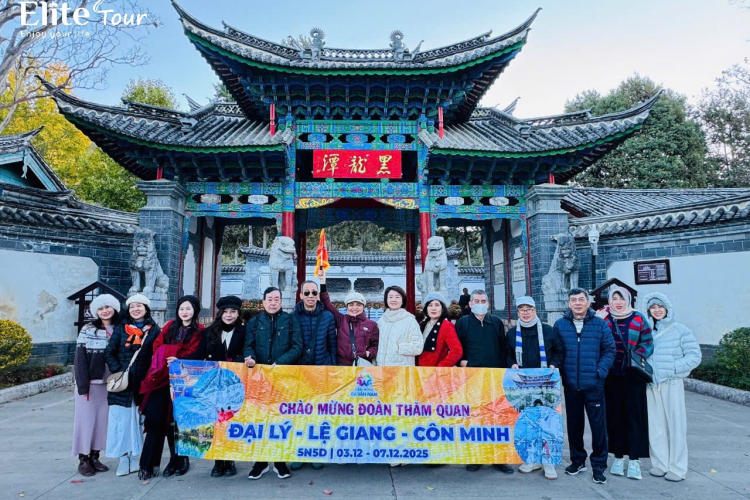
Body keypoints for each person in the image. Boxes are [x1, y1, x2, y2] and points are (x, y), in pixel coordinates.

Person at [139, 295, 204, 480]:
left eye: (189, 308)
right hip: (161, 379)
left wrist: (177, 357)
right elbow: (157, 346)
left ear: (195, 310)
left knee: (178, 422)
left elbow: (196, 353)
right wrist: (171, 354)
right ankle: (148, 464)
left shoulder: (200, 331)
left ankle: (179, 460)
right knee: (155, 420)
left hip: (184, 381)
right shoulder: (169, 326)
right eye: (182, 308)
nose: (185, 312)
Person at [554, 288, 615, 485]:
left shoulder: (600, 324)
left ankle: (599, 465)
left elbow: (609, 350)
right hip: (571, 385)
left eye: (581, 300)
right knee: (574, 425)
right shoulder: (560, 325)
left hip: (594, 385)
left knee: (598, 427)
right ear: (569, 304)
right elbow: (557, 351)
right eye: (574, 300)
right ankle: (577, 460)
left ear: (588, 303)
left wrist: (600, 371)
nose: (578, 303)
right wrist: (559, 371)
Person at [244, 287, 303, 480]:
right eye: (269, 299)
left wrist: (282, 362)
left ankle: (279, 461)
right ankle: (260, 463)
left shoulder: (290, 320)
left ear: (281, 302)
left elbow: (297, 346)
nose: (273, 302)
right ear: (263, 302)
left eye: (277, 299)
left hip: (282, 377)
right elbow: (248, 345)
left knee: (280, 419)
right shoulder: (254, 322)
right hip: (259, 378)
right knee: (260, 419)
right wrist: (250, 357)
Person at [642, 292, 701, 482]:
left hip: (672, 383)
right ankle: (660, 464)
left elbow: (694, 355)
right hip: (651, 384)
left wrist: (673, 368)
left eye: (660, 306)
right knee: (655, 426)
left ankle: (678, 467)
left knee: (676, 426)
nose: (657, 310)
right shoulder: (647, 331)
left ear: (667, 308)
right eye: (653, 307)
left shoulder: (680, 330)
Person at [505, 296, 563, 480]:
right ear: (518, 312)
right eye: (522, 310)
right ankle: (532, 459)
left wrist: (554, 364)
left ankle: (548, 461)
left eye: (529, 309)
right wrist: (512, 363)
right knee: (528, 422)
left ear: (535, 310)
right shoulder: (512, 333)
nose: (526, 313)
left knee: (546, 423)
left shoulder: (547, 330)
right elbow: (507, 354)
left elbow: (559, 351)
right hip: (523, 385)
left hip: (546, 383)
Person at [455, 289, 513, 474]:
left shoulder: (496, 322)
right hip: (472, 377)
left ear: (488, 304)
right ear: (470, 304)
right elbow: (456, 347)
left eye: (483, 301)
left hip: (494, 377)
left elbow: (503, 348)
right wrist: (461, 362)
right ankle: (476, 456)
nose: (480, 303)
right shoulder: (463, 323)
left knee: (496, 418)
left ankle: (498, 458)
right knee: (475, 418)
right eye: (476, 300)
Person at [599, 286, 653, 480]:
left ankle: (635, 459)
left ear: (628, 300)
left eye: (621, 298)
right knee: (614, 417)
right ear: (609, 301)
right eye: (614, 298)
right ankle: (618, 456)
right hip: (611, 376)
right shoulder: (604, 320)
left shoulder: (638, 318)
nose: (618, 302)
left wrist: (636, 355)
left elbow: (648, 342)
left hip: (633, 376)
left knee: (635, 417)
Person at [105, 294, 160, 477]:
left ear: (146, 308)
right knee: (120, 422)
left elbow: (156, 355)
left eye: (139, 306)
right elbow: (109, 352)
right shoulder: (121, 329)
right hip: (122, 385)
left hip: (143, 384)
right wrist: (119, 370)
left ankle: (137, 456)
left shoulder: (154, 330)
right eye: (132, 306)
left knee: (139, 422)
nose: (136, 309)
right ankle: (123, 458)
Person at [195, 295, 246, 478]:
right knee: (216, 423)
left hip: (234, 385)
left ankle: (230, 460)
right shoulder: (209, 332)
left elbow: (248, 351)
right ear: (220, 313)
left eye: (233, 311)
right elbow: (198, 355)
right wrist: (179, 363)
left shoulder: (244, 331)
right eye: (226, 312)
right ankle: (218, 462)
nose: (229, 315)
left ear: (238, 313)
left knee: (232, 422)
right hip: (214, 386)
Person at [290, 280, 336, 471]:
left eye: (314, 293)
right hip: (299, 371)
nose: (310, 296)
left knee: (319, 414)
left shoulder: (327, 316)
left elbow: (332, 344)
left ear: (318, 295)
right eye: (307, 292)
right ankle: (299, 452)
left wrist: (332, 368)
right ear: (301, 295)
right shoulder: (293, 316)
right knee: (299, 413)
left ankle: (317, 451)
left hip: (321, 370)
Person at [72, 294, 120, 476]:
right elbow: (80, 359)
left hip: (111, 384)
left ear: (114, 308)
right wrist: (83, 385)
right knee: (85, 422)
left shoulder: (120, 329)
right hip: (90, 384)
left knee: (101, 422)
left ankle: (95, 456)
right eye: (100, 308)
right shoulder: (88, 329)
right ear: (96, 311)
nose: (104, 311)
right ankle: (83, 459)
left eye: (108, 307)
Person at [318, 273, 379, 366]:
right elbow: (327, 304)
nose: (354, 308)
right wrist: (322, 283)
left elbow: (376, 345)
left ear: (363, 307)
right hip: (342, 365)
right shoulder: (341, 320)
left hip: (362, 365)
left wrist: (369, 353)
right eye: (351, 305)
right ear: (346, 307)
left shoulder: (372, 325)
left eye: (358, 305)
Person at [376, 285, 423, 367]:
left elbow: (418, 347)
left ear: (402, 300)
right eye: (390, 297)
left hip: (402, 369)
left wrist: (399, 347)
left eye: (397, 297)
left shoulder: (410, 321)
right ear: (386, 300)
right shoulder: (382, 321)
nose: (393, 300)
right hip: (381, 368)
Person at [416, 292, 463, 367]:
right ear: (426, 308)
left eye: (437, 305)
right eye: (430, 305)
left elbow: (457, 351)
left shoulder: (447, 326)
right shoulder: (422, 324)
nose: (433, 308)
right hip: (418, 370)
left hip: (435, 372)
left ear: (442, 308)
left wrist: (440, 368)